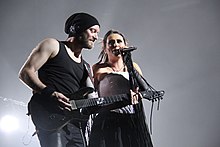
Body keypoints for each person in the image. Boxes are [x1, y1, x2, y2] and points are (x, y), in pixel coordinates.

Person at [19, 12, 100, 147]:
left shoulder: (86, 66)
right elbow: (26, 72)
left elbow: (91, 99)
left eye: (97, 33)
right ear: (77, 28)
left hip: (75, 122)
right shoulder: (53, 45)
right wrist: (50, 93)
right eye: (92, 31)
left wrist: (122, 100)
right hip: (50, 115)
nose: (96, 37)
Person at [88, 30, 154, 147]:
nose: (116, 45)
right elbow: (90, 94)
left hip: (132, 119)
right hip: (108, 120)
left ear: (125, 45)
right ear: (105, 48)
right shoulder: (98, 68)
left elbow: (145, 89)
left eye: (119, 41)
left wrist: (129, 64)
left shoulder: (133, 66)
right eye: (111, 42)